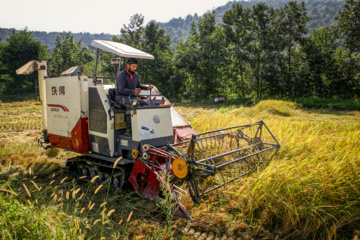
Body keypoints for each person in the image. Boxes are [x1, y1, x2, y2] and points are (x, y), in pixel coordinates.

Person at [115, 58, 154, 136]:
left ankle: (145, 128)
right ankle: (128, 130)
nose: (134, 68)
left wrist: (147, 87)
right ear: (128, 65)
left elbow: (138, 86)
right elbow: (121, 90)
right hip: (120, 97)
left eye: (135, 67)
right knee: (132, 106)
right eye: (133, 66)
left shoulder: (135, 75)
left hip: (131, 97)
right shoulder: (121, 75)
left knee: (146, 105)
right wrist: (133, 91)